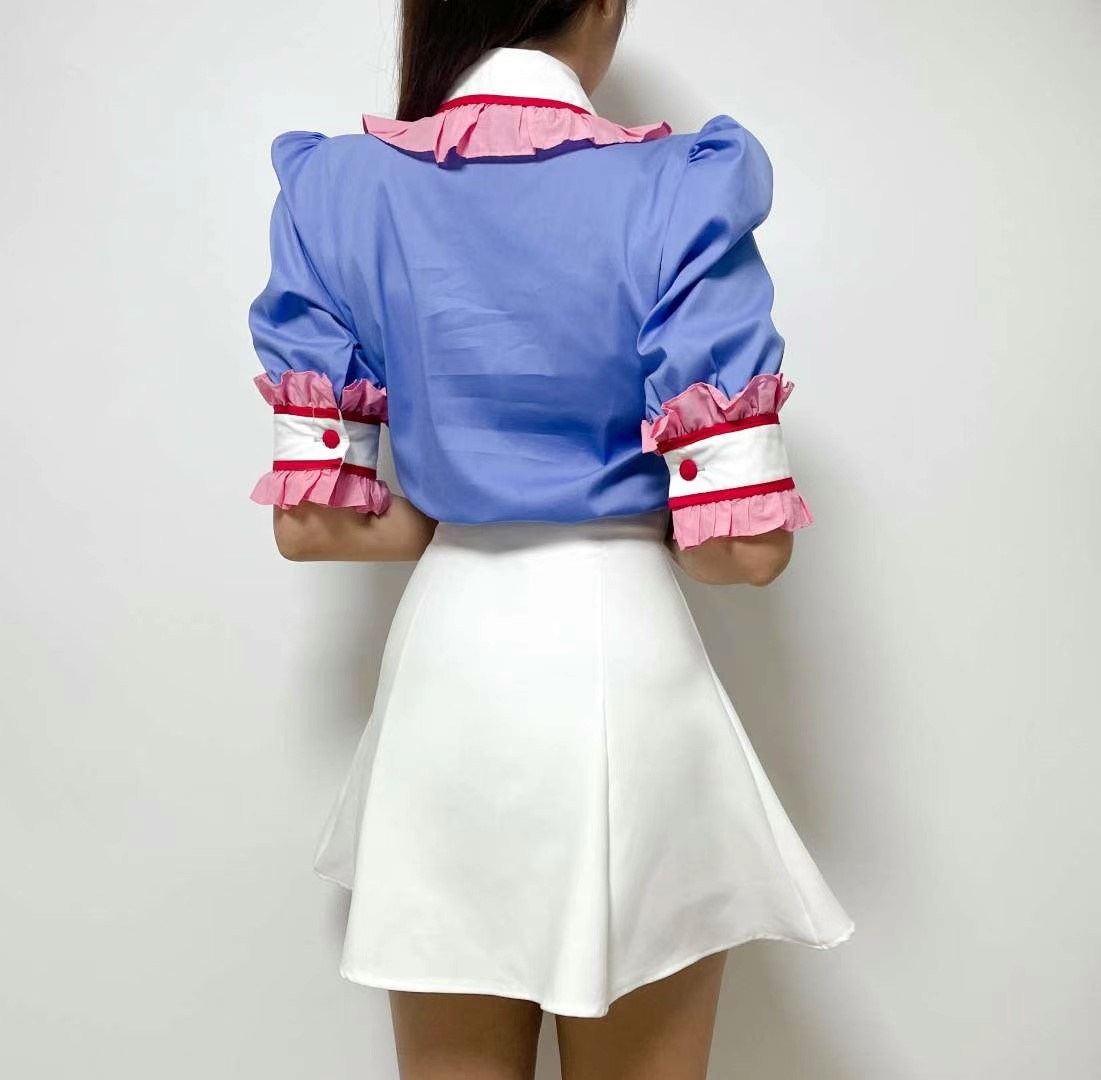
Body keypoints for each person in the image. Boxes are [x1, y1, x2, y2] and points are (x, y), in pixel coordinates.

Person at [246, 1, 855, 1075]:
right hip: (621, 660)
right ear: (604, 4)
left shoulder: (336, 189)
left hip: (448, 674)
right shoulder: (683, 189)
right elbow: (744, 551)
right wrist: (629, 514)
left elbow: (313, 524)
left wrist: (465, 508)